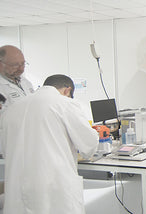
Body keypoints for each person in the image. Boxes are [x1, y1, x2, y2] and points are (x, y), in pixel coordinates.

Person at [0, 74, 99, 213]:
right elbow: (88, 145)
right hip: (53, 190)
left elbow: (5, 150)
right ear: (67, 90)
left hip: (17, 194)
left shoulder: (12, 109)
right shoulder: (65, 103)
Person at [0, 45, 36, 113]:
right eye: (15, 65)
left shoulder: (25, 82)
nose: (21, 69)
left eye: (23, 64)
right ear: (1, 64)